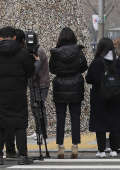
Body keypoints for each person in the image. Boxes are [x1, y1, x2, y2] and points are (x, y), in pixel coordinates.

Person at [0, 26, 36, 166]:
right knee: (20, 125)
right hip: (18, 95)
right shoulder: (23, 54)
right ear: (14, 38)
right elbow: (30, 72)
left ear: (0, 38)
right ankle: (23, 156)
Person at [49, 27, 88, 159]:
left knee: (60, 118)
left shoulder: (55, 53)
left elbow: (52, 69)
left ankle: (60, 147)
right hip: (75, 86)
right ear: (73, 37)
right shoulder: (78, 51)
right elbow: (84, 67)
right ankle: (75, 146)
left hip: (60, 87)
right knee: (75, 117)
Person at [86, 37, 120, 158]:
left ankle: (101, 151)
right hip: (115, 97)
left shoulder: (97, 62)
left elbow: (88, 79)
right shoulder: (118, 62)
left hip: (99, 97)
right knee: (114, 123)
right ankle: (114, 150)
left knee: (100, 123)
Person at [23, 29, 49, 142]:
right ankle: (37, 130)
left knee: (40, 107)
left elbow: (35, 67)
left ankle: (42, 131)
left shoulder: (40, 51)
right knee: (34, 108)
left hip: (41, 84)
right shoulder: (27, 51)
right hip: (32, 84)